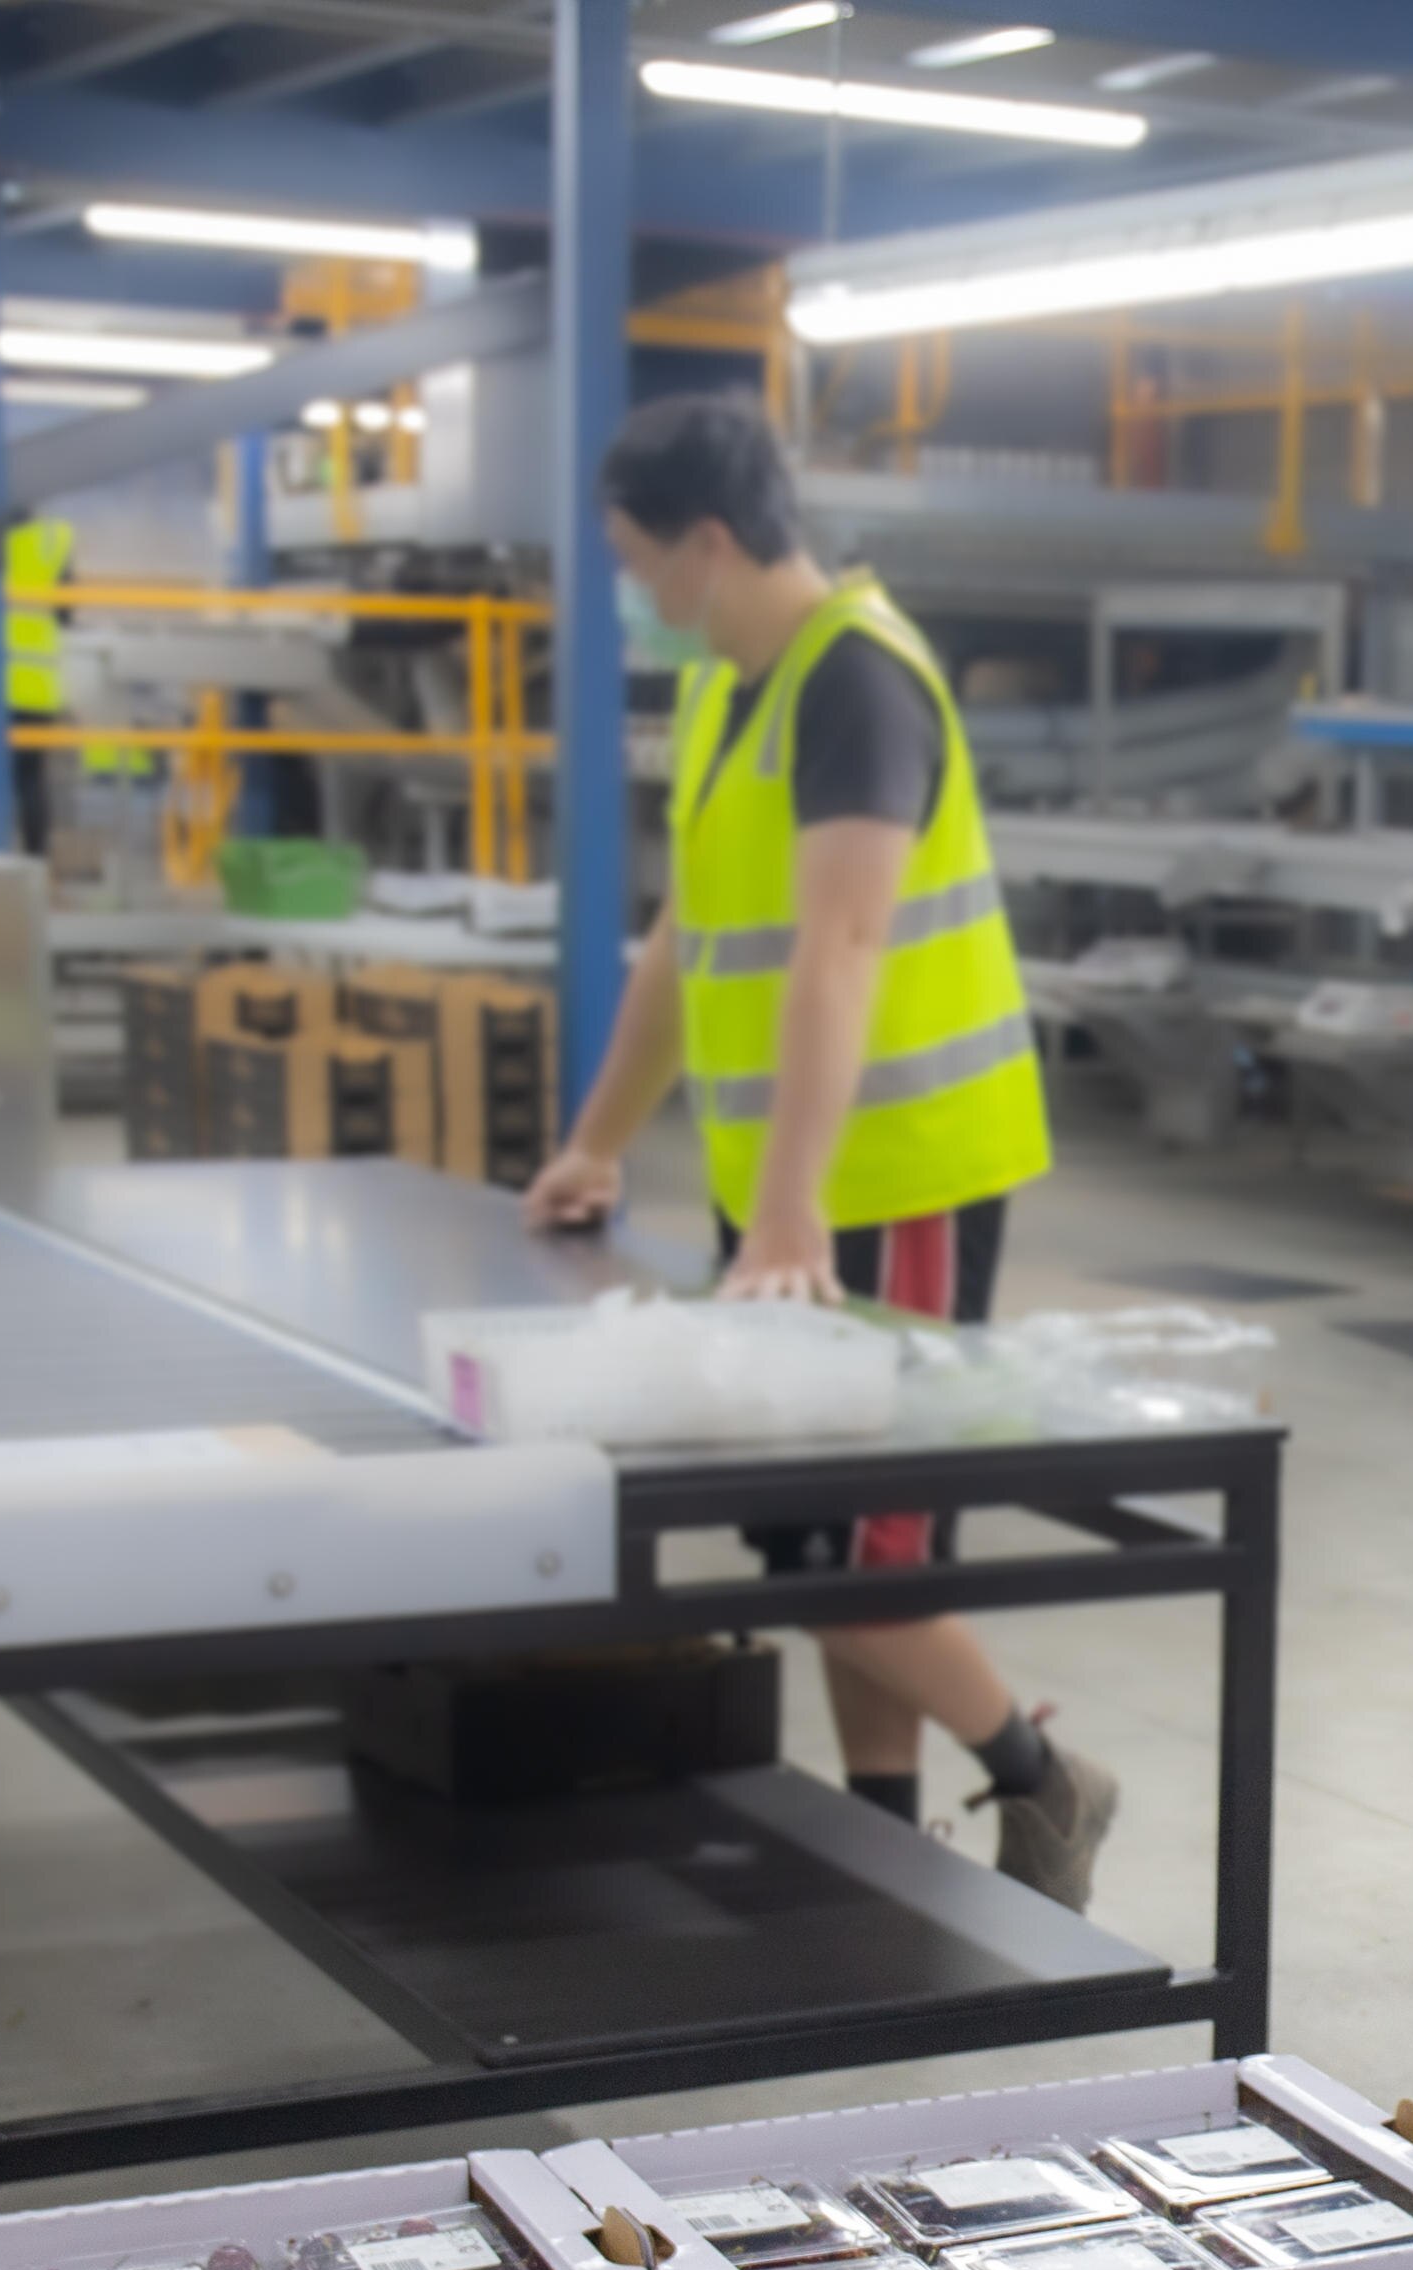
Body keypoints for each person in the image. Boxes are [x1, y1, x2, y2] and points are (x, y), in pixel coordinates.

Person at [529, 393, 1116, 1906]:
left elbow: (844, 943)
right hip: (790, 1194)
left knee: (852, 1560)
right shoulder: (742, 684)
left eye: (632, 560)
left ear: (708, 544)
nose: (632, 595)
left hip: (893, 1183)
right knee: (823, 1541)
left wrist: (792, 1215)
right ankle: (877, 1834)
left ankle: (1045, 1781)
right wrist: (596, 1144)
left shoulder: (858, 682)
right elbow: (686, 943)